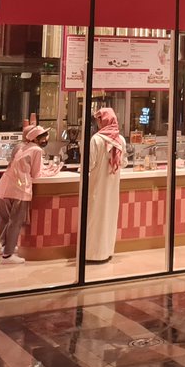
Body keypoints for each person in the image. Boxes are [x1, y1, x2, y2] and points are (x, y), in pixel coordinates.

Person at [0, 125, 58, 264]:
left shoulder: (20, 147)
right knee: (15, 222)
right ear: (36, 138)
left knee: (3, 218)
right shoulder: (37, 150)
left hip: (4, 186)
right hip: (20, 189)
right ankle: (8, 254)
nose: (46, 139)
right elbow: (36, 173)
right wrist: (52, 171)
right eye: (43, 137)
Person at [85, 108, 125, 263]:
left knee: (95, 218)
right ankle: (107, 251)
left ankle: (93, 254)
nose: (97, 122)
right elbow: (124, 162)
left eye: (98, 119)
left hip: (97, 187)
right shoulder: (120, 139)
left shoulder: (96, 139)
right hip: (113, 187)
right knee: (109, 217)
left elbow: (90, 164)